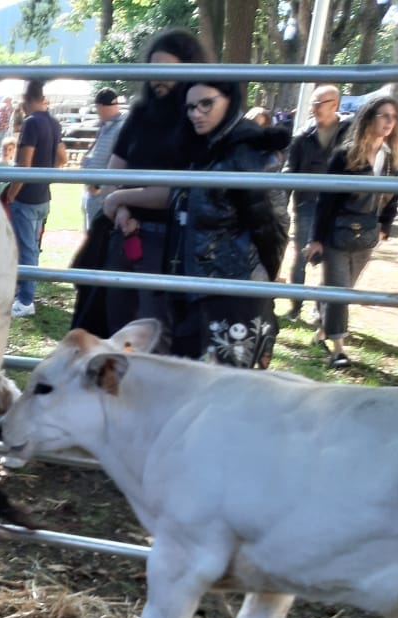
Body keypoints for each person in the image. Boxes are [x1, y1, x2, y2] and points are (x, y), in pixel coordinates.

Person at [164, 80, 290, 368]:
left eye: (206, 103)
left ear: (230, 101)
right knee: (190, 378)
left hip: (235, 289)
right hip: (195, 288)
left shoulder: (250, 153)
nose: (196, 113)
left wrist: (262, 282)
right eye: (190, 107)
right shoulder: (202, 149)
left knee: (225, 383)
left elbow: (274, 226)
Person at [99, 27, 211, 339]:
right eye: (153, 70)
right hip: (124, 231)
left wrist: (119, 199)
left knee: (154, 333)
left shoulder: (196, 120)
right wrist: (119, 210)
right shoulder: (140, 114)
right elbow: (111, 173)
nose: (157, 79)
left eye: (166, 71)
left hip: (167, 242)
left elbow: (177, 192)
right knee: (117, 329)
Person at [304, 95, 398, 369]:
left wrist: (386, 226)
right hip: (336, 234)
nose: (390, 122)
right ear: (369, 119)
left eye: (394, 117)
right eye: (384, 115)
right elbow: (326, 200)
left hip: (368, 235)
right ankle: (338, 350)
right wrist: (315, 239)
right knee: (340, 292)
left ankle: (322, 324)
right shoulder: (344, 155)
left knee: (343, 287)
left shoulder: (391, 159)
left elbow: (393, 197)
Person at [1, 80, 65, 318]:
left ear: (26, 100)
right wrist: (46, 177)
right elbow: (63, 157)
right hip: (43, 196)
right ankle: (24, 292)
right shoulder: (54, 123)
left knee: (26, 249)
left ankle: (26, 300)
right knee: (32, 248)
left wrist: (12, 193)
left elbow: (24, 164)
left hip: (26, 198)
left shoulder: (31, 123)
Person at [282, 83, 345, 323]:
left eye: (319, 103)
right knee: (301, 256)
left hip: (339, 206)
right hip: (307, 203)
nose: (314, 108)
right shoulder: (302, 136)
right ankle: (295, 306)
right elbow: (290, 169)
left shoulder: (349, 133)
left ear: (334, 105)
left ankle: (321, 310)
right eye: (313, 103)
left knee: (332, 259)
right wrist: (282, 205)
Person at [80, 88, 124, 229]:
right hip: (95, 192)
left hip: (103, 195)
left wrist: (99, 187)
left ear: (101, 106)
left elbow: (119, 163)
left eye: (98, 107)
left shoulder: (120, 128)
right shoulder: (106, 126)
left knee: (99, 234)